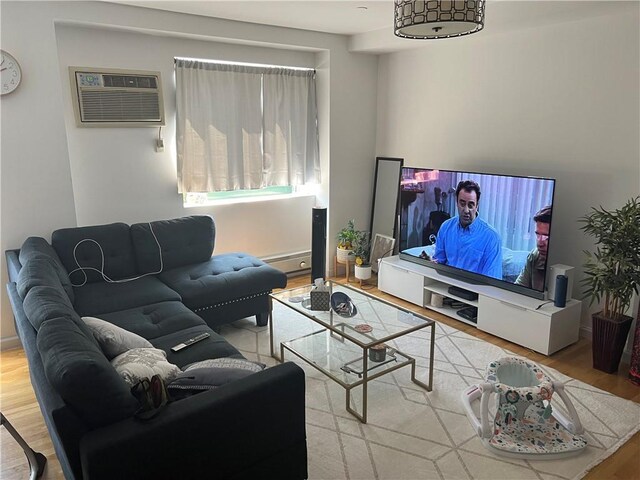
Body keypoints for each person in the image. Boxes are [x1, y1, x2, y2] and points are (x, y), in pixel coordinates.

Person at [432, 180, 502, 279]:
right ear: (457, 203)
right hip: (446, 287)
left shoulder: (492, 237)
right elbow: (439, 263)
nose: (466, 210)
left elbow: (492, 281)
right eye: (462, 203)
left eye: (471, 205)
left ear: (477, 206)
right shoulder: (446, 227)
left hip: (475, 292)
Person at [515, 206, 552, 291]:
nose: (540, 243)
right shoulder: (534, 256)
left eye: (546, 236)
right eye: (538, 235)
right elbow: (517, 291)